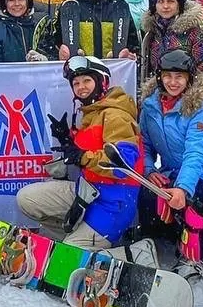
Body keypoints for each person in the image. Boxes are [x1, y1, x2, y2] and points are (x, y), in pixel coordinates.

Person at [17, 55, 142, 250]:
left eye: (87, 81)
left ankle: (92, 249)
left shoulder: (115, 114)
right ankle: (69, 241)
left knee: (67, 260)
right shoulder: (92, 113)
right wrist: (68, 140)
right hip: (86, 192)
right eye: (76, 83)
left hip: (113, 203)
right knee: (26, 198)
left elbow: (123, 165)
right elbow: (91, 147)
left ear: (102, 82)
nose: (81, 87)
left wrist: (82, 157)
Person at [138, 50, 203, 278]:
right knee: (148, 196)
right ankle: (156, 242)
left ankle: (197, 257)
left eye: (179, 77)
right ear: (159, 76)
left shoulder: (197, 110)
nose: (173, 82)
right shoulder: (150, 107)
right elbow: (144, 144)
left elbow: (196, 153)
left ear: (189, 78)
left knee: (192, 203)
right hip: (173, 172)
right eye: (168, 76)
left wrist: (182, 188)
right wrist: (149, 170)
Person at [139, 0, 203, 84]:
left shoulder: (193, 33)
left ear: (179, 4)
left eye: (170, 1)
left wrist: (190, 89)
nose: (165, 6)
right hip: (159, 90)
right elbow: (145, 68)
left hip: (186, 90)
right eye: (160, 1)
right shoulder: (151, 33)